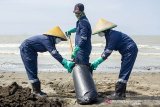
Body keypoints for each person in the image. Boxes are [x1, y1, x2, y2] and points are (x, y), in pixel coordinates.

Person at [19, 26, 75, 97]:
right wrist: (65, 62)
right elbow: (54, 53)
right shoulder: (46, 39)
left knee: (33, 69)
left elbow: (56, 54)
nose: (59, 41)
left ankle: (37, 90)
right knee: (31, 69)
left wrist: (65, 64)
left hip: (31, 50)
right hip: (26, 49)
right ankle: (36, 91)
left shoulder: (50, 42)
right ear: (54, 36)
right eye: (59, 39)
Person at [91, 18, 138, 100]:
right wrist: (100, 58)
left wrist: (97, 62)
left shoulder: (112, 35)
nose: (98, 34)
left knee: (124, 70)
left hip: (130, 50)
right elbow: (106, 48)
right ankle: (121, 94)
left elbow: (108, 51)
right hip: (127, 51)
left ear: (104, 30)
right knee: (124, 70)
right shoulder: (109, 35)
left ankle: (119, 94)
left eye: (99, 32)